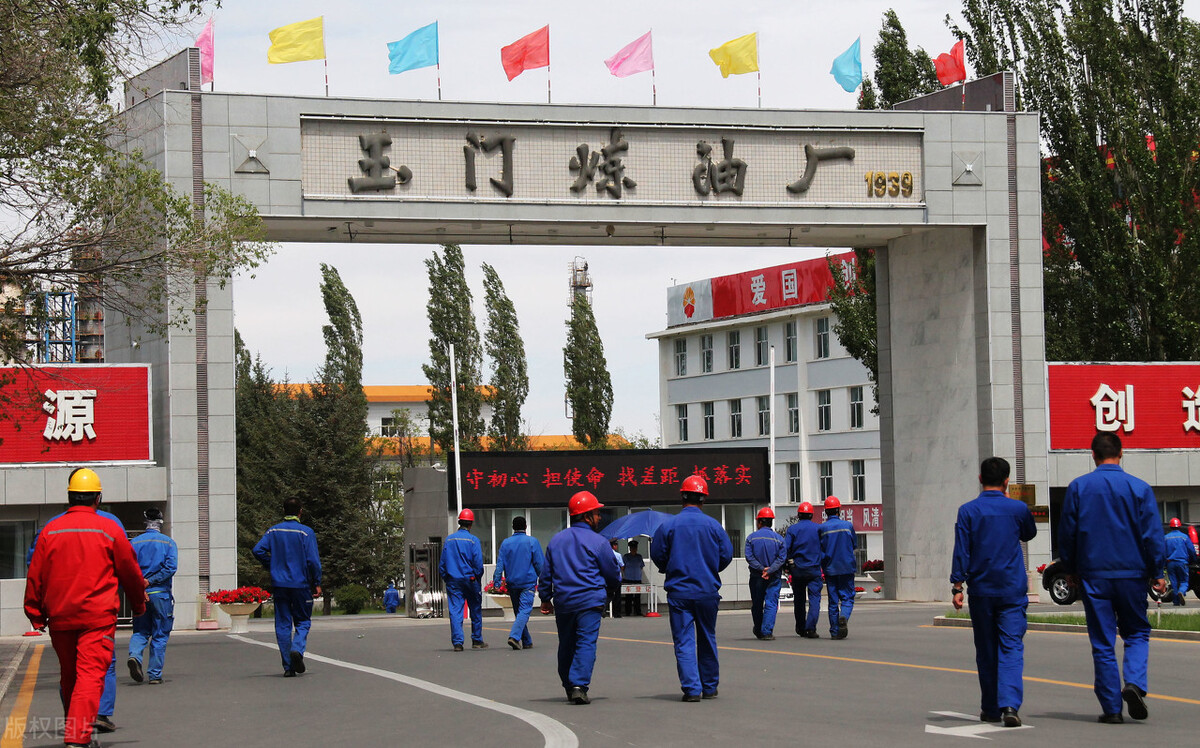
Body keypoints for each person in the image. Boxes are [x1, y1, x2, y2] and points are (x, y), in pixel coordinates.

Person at [24, 468, 146, 748]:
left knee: (70, 675)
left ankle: (78, 729)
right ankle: (77, 739)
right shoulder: (109, 528)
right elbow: (130, 571)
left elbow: (36, 574)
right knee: (90, 675)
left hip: (60, 617)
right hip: (97, 617)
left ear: (69, 497)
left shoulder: (50, 530)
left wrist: (35, 614)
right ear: (98, 498)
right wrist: (138, 604)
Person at [1059, 432, 1166, 724]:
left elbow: (1068, 534)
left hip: (1094, 575)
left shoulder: (1079, 488)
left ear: (1092, 455)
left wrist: (1069, 569)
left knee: (1103, 641)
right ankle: (1133, 682)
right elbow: (1153, 536)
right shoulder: (1140, 488)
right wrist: (1158, 572)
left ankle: (1111, 709)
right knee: (1137, 632)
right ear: (1122, 453)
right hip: (1132, 574)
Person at [950, 457, 1037, 728]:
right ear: (1007, 481)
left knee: (986, 649)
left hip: (982, 590)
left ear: (979, 479)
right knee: (1011, 647)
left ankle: (990, 708)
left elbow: (961, 550)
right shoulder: (1018, 509)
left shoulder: (968, 511)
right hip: (1011, 589)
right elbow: (1029, 534)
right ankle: (1010, 705)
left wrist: (957, 585)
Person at [651, 475, 733, 702]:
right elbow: (725, 555)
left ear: (682, 496)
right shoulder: (714, 526)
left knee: (684, 641)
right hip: (707, 590)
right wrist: (709, 567)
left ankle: (692, 689)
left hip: (679, 592)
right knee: (708, 637)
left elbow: (657, 555)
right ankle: (709, 686)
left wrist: (671, 566)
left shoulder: (668, 526)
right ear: (703, 499)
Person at [539, 491, 621, 705]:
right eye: (596, 513)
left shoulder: (556, 540)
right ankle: (579, 685)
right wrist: (611, 590)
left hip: (565, 602)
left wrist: (546, 597)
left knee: (566, 644)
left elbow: (546, 572)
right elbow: (612, 573)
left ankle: (569, 685)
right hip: (590, 601)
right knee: (585, 643)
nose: (599, 517)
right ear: (586, 516)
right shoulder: (598, 542)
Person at [252, 497, 323, 677]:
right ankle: (297, 649)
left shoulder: (273, 531)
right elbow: (313, 561)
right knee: (303, 621)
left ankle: (288, 667)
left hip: (280, 584)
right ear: (300, 511)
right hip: (300, 585)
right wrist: (317, 582)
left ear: (284, 511)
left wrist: (272, 564)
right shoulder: (306, 533)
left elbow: (257, 550)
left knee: (283, 624)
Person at [127, 508, 178, 687]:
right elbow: (171, 568)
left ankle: (134, 656)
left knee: (140, 631)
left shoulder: (134, 543)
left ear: (145, 521)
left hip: (141, 595)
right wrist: (152, 580)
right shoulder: (169, 543)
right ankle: (155, 674)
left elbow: (129, 569)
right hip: (160, 594)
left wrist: (140, 585)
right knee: (160, 634)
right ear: (161, 522)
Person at [438, 508, 486, 652]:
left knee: (455, 610)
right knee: (475, 609)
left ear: (459, 522)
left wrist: (447, 577)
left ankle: (458, 643)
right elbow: (478, 563)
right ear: (470, 524)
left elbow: (443, 564)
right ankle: (477, 640)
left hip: (453, 580)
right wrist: (477, 577)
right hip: (470, 580)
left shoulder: (449, 540)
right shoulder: (473, 540)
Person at [493, 515, 544, 650]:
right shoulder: (532, 542)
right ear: (526, 527)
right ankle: (514, 637)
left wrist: (497, 582)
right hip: (527, 583)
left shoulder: (505, 543)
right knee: (524, 611)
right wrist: (544, 580)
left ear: (512, 527)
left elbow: (500, 565)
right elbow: (539, 564)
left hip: (512, 583)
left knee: (518, 611)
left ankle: (527, 640)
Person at [818, 496, 857, 640]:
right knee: (847, 598)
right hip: (846, 567)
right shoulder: (848, 526)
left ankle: (835, 631)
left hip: (830, 568)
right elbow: (854, 545)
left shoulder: (822, 528)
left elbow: (820, 548)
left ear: (826, 512)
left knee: (833, 601)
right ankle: (844, 616)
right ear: (839, 510)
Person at [745, 507, 786, 640]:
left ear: (759, 522)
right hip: (773, 576)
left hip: (757, 576)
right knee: (771, 603)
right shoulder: (779, 539)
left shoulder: (751, 538)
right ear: (771, 522)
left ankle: (758, 629)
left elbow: (749, 557)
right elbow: (781, 558)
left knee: (757, 603)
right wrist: (770, 570)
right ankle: (767, 631)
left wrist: (762, 569)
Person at [784, 502, 823, 638]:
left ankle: (800, 627)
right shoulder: (818, 529)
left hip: (798, 570)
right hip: (814, 569)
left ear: (798, 515)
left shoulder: (792, 529)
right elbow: (824, 547)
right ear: (811, 514)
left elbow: (785, 548)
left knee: (799, 600)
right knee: (814, 599)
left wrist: (788, 563)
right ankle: (810, 628)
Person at [1164, 518, 1195, 606]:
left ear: (1170, 527)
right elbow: (1191, 550)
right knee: (1184, 581)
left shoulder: (1165, 538)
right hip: (1182, 562)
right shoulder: (1184, 537)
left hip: (1170, 563)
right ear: (1180, 526)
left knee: (1174, 582)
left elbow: (1162, 552)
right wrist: (1193, 560)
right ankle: (1181, 592)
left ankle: (1176, 602)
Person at [621, 540, 646, 617]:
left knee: (637, 597)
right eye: (632, 548)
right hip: (628, 579)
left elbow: (641, 566)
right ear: (630, 548)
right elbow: (622, 567)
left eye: (635, 547)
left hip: (637, 579)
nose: (634, 549)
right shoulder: (626, 557)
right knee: (629, 597)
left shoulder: (639, 557)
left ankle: (637, 611)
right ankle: (628, 611)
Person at [608, 538, 625, 617]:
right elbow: (622, 566)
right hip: (617, 578)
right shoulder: (617, 555)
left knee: (608, 594)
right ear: (614, 546)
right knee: (617, 596)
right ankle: (617, 613)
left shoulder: (606, 554)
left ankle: (605, 610)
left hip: (608, 578)